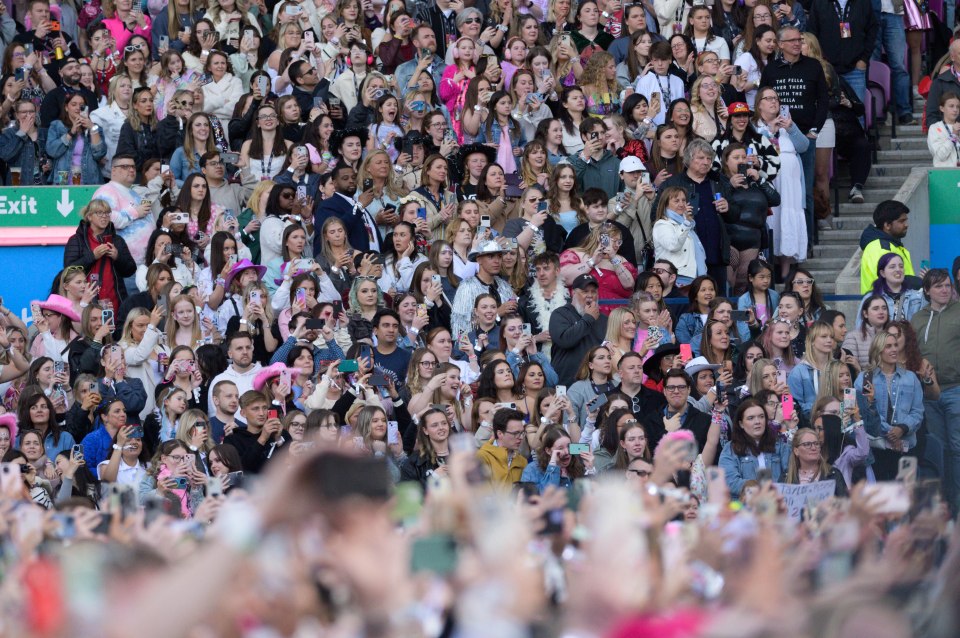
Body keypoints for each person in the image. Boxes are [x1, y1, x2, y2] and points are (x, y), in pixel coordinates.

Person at [759, 26, 829, 245]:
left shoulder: (813, 66)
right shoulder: (771, 69)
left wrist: (815, 130)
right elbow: (762, 98)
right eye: (792, 41)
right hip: (776, 137)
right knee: (778, 191)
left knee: (804, 192)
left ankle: (805, 243)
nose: (797, 43)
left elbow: (823, 100)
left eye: (799, 40)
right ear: (780, 45)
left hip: (803, 138)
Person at [651, 139, 736, 291]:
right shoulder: (673, 183)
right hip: (685, 260)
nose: (706, 162)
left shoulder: (719, 181)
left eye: (709, 158)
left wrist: (728, 208)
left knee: (716, 302)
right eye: (701, 158)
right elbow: (655, 214)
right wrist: (681, 214)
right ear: (689, 159)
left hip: (716, 253)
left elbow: (735, 216)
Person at [911, 269, 960, 508]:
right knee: (939, 449)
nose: (944, 290)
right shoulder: (918, 318)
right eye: (939, 286)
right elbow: (911, 353)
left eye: (948, 286)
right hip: (928, 393)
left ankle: (958, 500)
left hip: (956, 389)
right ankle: (943, 502)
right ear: (927, 290)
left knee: (957, 447)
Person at [855, 330, 924, 480]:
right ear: (878, 351)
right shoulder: (866, 378)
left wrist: (902, 428)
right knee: (881, 495)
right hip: (878, 446)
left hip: (907, 446)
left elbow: (918, 411)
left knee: (906, 493)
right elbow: (865, 413)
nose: (894, 349)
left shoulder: (910, 377)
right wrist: (892, 433)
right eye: (888, 346)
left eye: (895, 345)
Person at [63, 199, 137, 312]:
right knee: (89, 327)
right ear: (89, 217)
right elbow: (68, 270)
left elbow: (130, 270)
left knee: (113, 327)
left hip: (114, 299)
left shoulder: (117, 240)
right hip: (85, 300)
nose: (104, 216)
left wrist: (118, 257)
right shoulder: (76, 240)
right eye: (99, 213)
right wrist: (92, 256)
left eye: (107, 213)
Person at [719, 397, 792, 495]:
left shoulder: (779, 445)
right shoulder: (731, 449)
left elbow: (792, 474)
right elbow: (730, 482)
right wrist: (762, 490)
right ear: (741, 424)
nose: (757, 421)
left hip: (777, 503)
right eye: (751, 418)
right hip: (745, 506)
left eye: (761, 416)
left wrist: (791, 428)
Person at [548, 274, 608, 385]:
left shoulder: (604, 319)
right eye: (585, 291)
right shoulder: (560, 314)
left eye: (593, 292)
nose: (590, 296)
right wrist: (588, 318)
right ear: (573, 293)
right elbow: (565, 340)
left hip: (596, 383)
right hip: (566, 382)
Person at [450, 241, 517, 340]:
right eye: (490, 256)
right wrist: (497, 313)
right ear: (479, 259)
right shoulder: (467, 287)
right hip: (479, 350)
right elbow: (460, 327)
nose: (496, 261)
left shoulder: (504, 286)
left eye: (499, 256)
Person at [313, 164, 383, 254]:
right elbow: (336, 231)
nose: (351, 181)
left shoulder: (357, 203)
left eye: (354, 178)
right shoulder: (327, 205)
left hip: (374, 261)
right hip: (349, 263)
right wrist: (360, 206)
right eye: (345, 178)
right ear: (334, 183)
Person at [859, 200, 917, 294]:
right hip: (885, 305)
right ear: (887, 225)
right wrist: (919, 283)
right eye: (901, 221)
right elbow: (888, 284)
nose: (906, 225)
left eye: (906, 220)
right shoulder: (881, 248)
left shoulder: (892, 245)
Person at [206, 332, 263, 418]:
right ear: (230, 354)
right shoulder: (219, 380)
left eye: (248, 347)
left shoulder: (266, 376)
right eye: (239, 348)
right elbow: (214, 415)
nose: (245, 352)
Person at [567, 118, 623, 199]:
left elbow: (623, 191)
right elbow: (570, 186)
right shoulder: (572, 161)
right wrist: (584, 158)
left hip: (611, 210)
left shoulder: (617, 163)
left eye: (602, 133)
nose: (600, 137)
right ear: (584, 136)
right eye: (595, 134)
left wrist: (615, 209)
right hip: (584, 210)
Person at [476, 407, 529, 486]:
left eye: (522, 433)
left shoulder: (522, 461)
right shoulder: (482, 457)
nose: (521, 437)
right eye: (515, 433)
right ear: (500, 434)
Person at [928, 92, 960, 167]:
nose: (955, 110)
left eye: (958, 107)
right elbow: (940, 156)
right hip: (944, 174)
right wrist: (953, 135)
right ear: (942, 108)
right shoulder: (934, 128)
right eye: (951, 106)